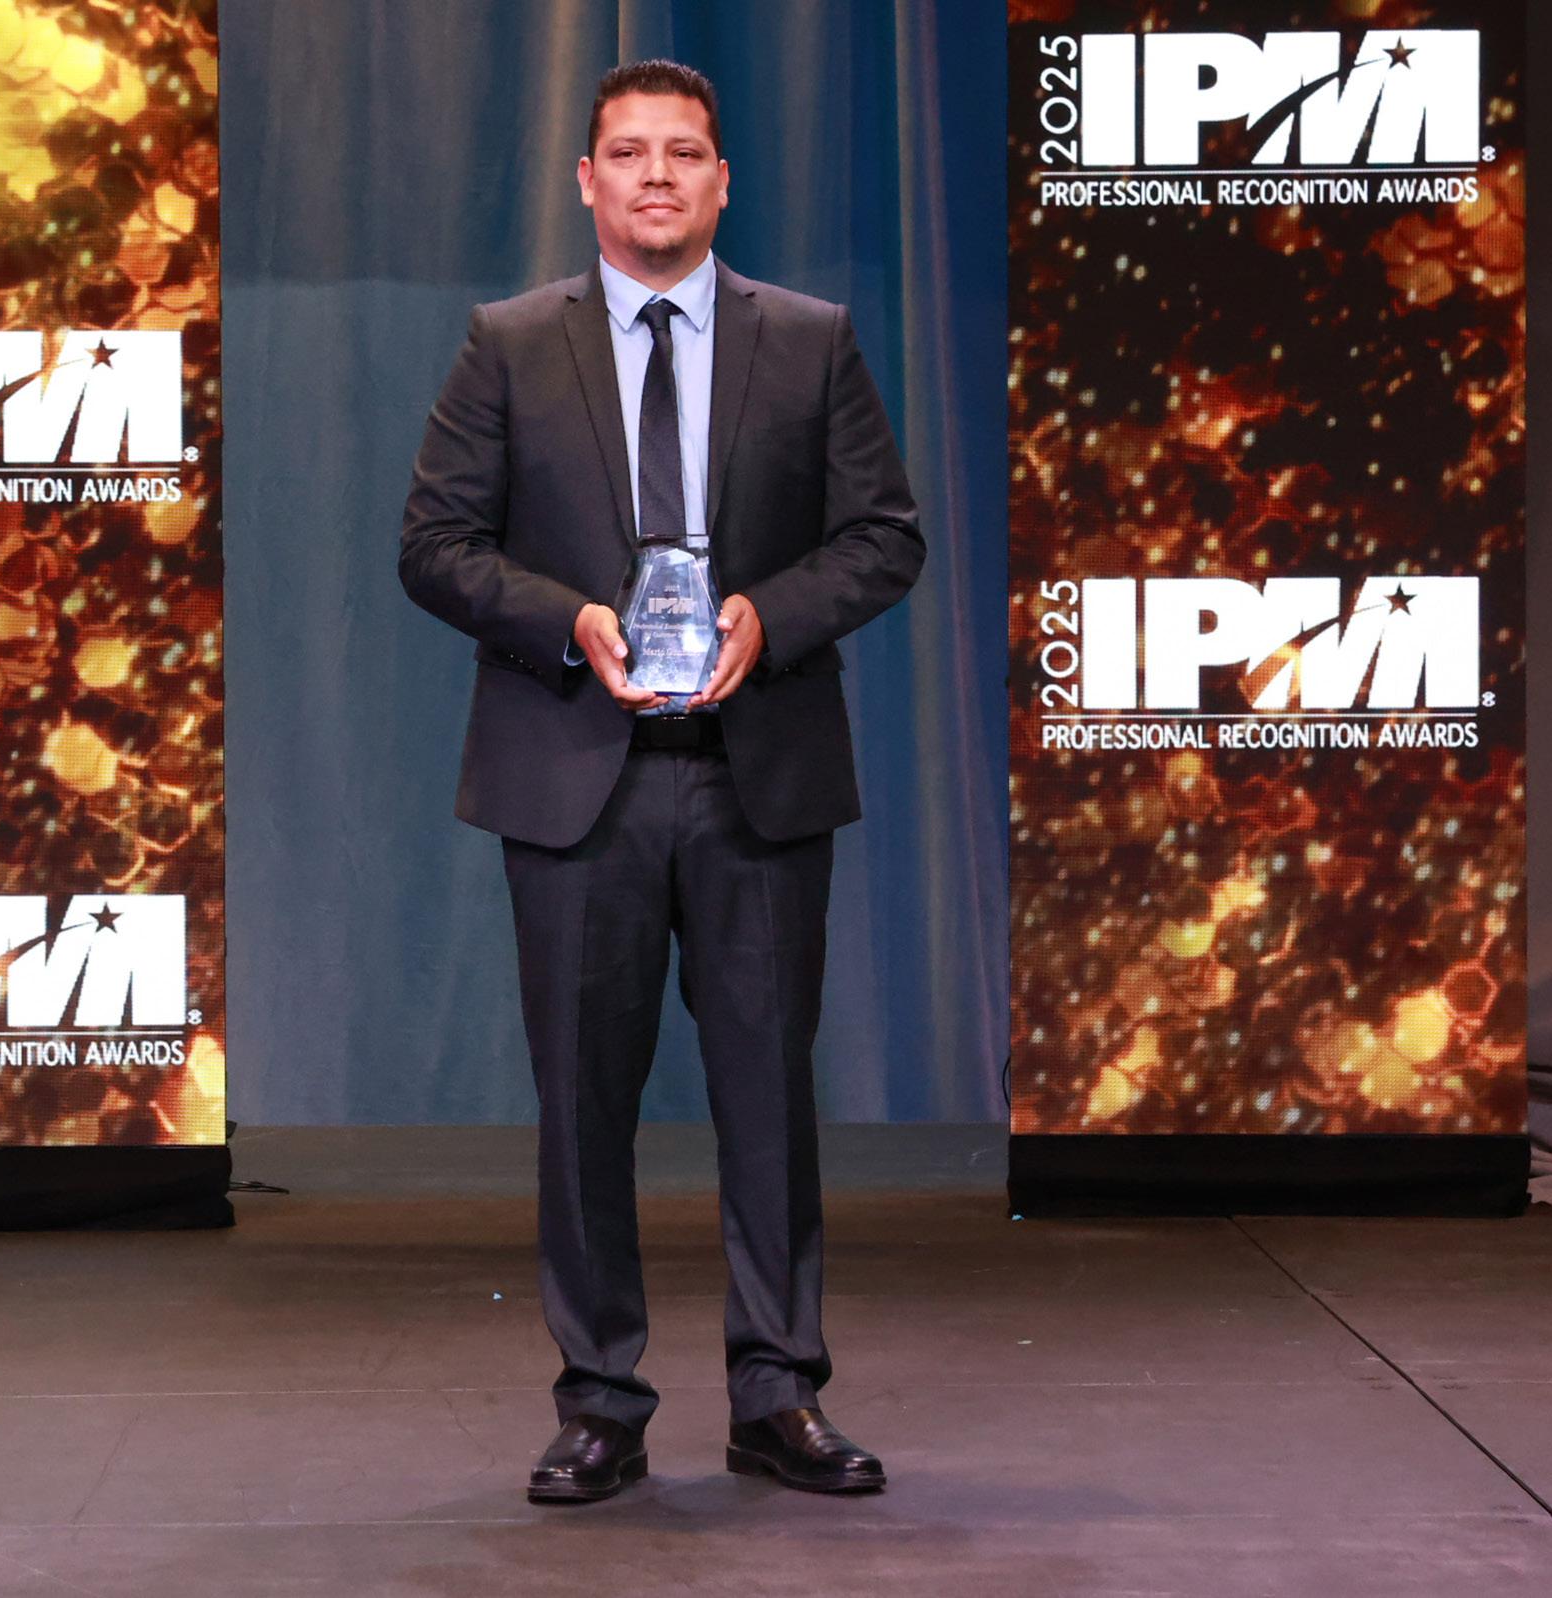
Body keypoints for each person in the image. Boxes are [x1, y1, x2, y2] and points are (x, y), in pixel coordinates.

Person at [399, 59, 924, 1504]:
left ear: (721, 182)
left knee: (769, 1099)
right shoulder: (509, 343)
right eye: (627, 153)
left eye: (683, 153)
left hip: (759, 778)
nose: (655, 177)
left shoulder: (808, 339)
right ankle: (599, 1404)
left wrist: (771, 615)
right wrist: (570, 619)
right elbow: (435, 545)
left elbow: (882, 536)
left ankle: (779, 1395)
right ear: (585, 181)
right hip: (579, 781)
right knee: (583, 1106)